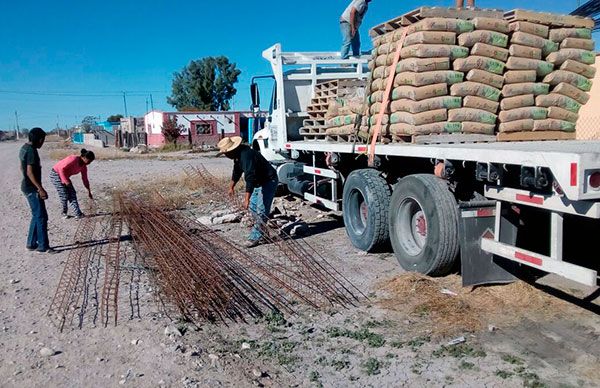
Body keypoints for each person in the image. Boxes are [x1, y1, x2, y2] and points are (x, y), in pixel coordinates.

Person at [218, 136, 279, 248]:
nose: (226, 156)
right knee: (254, 208)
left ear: (232, 150)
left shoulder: (246, 155)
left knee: (261, 210)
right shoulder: (237, 156)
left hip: (268, 181)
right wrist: (231, 186)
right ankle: (263, 233)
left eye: (226, 153)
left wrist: (246, 199)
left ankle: (254, 238)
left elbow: (250, 177)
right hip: (258, 183)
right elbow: (236, 171)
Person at [19, 127, 54, 253]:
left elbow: (23, 169)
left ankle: (31, 243)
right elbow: (29, 172)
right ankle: (43, 246)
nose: (43, 143)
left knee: (36, 215)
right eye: (43, 140)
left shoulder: (24, 148)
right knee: (41, 217)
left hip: (26, 186)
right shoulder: (32, 151)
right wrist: (40, 189)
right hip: (32, 188)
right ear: (39, 140)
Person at [50, 149, 95, 219]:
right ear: (84, 158)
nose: (89, 163)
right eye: (89, 161)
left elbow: (85, 179)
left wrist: (89, 191)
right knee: (64, 195)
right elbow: (61, 169)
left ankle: (78, 213)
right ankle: (64, 212)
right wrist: (66, 181)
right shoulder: (73, 159)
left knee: (72, 194)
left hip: (65, 177)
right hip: (56, 174)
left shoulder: (83, 167)